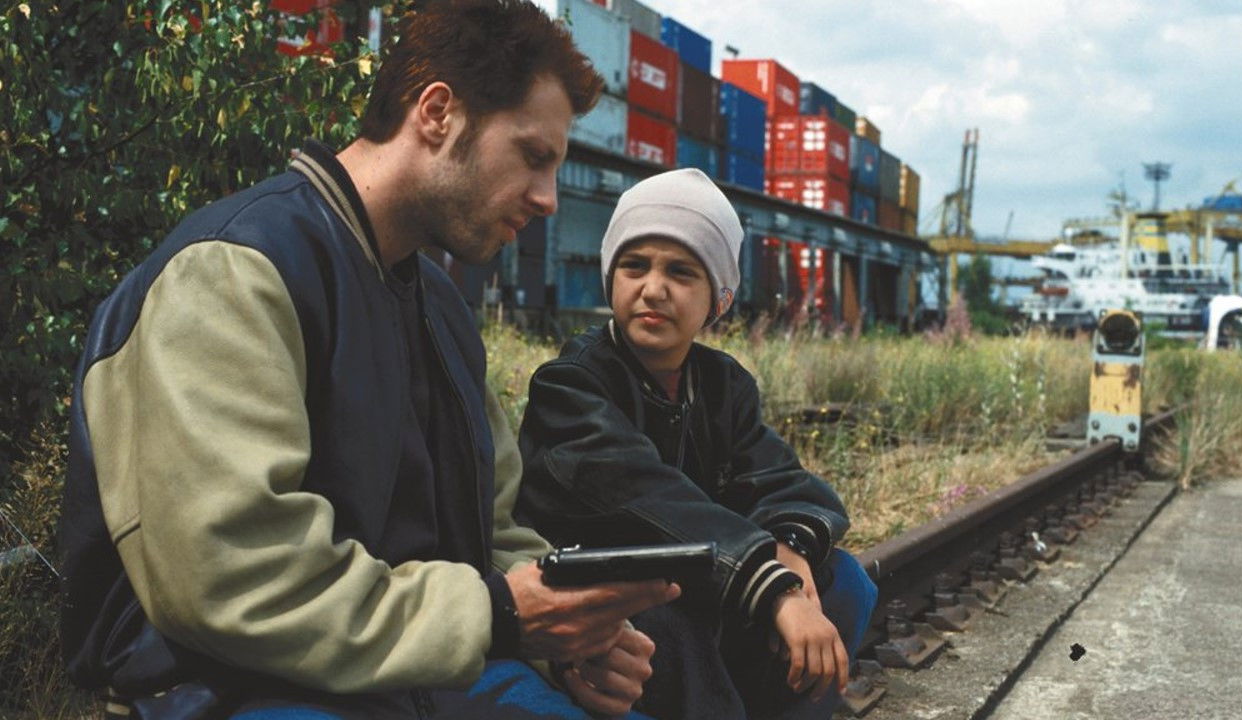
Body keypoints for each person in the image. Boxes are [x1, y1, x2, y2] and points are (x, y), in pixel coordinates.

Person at [57, 2, 678, 717]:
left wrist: (568, 633)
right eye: (534, 157)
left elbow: (492, 534)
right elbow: (232, 573)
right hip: (229, 689)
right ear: (437, 113)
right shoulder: (234, 271)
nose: (547, 200)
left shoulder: (441, 311)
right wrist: (499, 616)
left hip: (417, 676)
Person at [516, 169, 879, 719]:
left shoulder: (722, 383)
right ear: (611, 278)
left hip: (702, 577)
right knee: (671, 623)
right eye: (634, 266)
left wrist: (789, 545)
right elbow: (646, 497)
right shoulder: (571, 384)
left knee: (845, 582)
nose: (652, 288)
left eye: (681, 272)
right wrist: (768, 580)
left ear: (719, 298)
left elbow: (778, 477)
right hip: (612, 596)